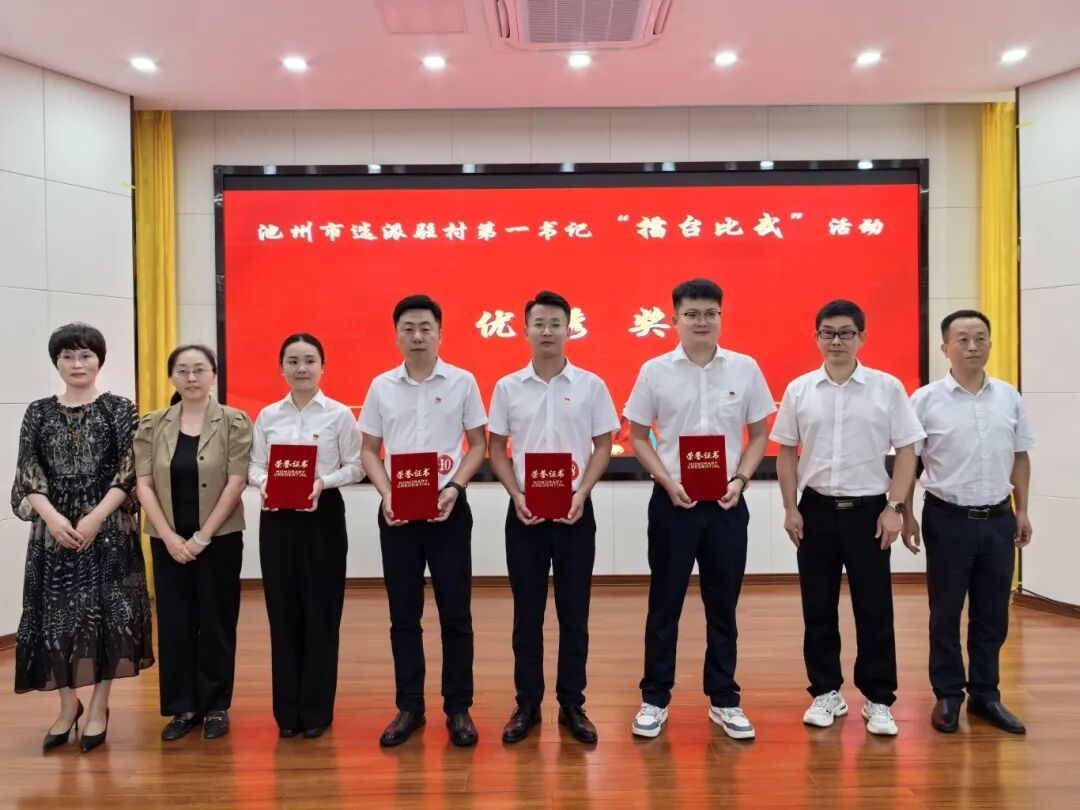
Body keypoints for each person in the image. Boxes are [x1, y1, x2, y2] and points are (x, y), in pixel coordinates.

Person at [625, 278, 775, 740]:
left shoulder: (745, 368)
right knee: (664, 602)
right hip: (673, 503)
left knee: (723, 605)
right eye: (692, 314)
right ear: (675, 319)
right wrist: (667, 481)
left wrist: (741, 480)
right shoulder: (654, 371)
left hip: (727, 504)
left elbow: (760, 435)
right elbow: (636, 436)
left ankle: (724, 698)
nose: (702, 321)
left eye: (711, 313)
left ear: (721, 317)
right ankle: (655, 698)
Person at [772, 299, 924, 736]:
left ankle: (879, 699)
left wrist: (895, 507)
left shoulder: (886, 388)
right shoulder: (800, 389)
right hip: (815, 510)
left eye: (846, 333)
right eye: (828, 333)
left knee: (874, 608)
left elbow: (908, 449)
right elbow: (786, 451)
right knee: (817, 606)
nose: (836, 341)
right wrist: (790, 507)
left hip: (870, 512)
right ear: (816, 336)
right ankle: (826, 692)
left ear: (862, 337)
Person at [10, 323, 154, 753]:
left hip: (108, 531)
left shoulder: (119, 408)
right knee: (55, 618)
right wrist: (54, 520)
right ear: (56, 362)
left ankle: (99, 707)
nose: (77, 363)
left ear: (99, 361)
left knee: (107, 618)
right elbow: (28, 472)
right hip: (52, 533)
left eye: (86, 355)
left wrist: (95, 519)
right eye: (68, 356)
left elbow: (128, 471)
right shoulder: (38, 412)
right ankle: (66, 705)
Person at [488, 291, 620, 745]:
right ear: (525, 330)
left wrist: (582, 492)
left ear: (569, 329)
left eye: (555, 323)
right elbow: (496, 449)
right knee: (526, 614)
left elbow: (603, 445)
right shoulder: (507, 387)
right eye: (539, 323)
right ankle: (527, 704)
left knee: (574, 613)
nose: (547, 331)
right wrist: (515, 493)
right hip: (524, 513)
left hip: (575, 513)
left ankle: (572, 703)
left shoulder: (591, 385)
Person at [359, 295, 487, 747]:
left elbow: (478, 445)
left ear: (439, 333)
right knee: (403, 614)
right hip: (398, 513)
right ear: (397, 335)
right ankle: (410, 707)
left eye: (426, 328)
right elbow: (369, 450)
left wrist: (454, 487)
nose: (417, 336)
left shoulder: (463, 381)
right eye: (408, 328)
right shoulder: (381, 386)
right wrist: (386, 493)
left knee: (456, 613)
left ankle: (459, 708)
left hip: (448, 510)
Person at [904, 310, 1033, 734]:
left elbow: (1020, 457)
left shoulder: (1009, 397)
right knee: (945, 612)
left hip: (998, 519)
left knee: (992, 613)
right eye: (963, 339)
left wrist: (1022, 510)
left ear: (991, 344)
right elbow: (909, 462)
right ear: (946, 348)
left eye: (980, 338)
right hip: (947, 519)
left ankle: (985, 694)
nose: (973, 346)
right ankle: (947, 694)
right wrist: (905, 512)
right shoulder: (924, 400)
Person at [134, 344, 252, 741]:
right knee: (175, 622)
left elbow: (237, 481)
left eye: (199, 369)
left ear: (213, 375)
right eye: (182, 370)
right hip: (167, 540)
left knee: (217, 621)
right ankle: (182, 707)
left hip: (219, 539)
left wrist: (202, 537)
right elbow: (143, 484)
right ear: (172, 377)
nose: (191, 377)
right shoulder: (152, 424)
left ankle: (216, 705)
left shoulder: (234, 421)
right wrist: (169, 536)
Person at [249, 333, 363, 739]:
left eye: (310, 360)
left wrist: (321, 482)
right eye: (293, 361)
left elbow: (356, 466)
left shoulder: (339, 415)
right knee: (282, 612)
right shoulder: (267, 416)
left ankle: (315, 711)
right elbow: (254, 465)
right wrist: (265, 482)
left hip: (322, 515)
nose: (301, 368)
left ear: (323, 367)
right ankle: (287, 713)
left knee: (322, 611)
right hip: (277, 518)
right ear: (281, 368)